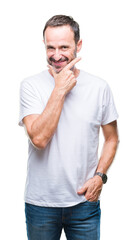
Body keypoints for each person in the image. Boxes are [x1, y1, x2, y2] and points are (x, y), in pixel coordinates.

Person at [19, 15, 119, 240]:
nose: (56, 55)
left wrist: (100, 176)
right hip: (40, 205)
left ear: (78, 45)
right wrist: (59, 89)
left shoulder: (99, 87)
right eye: (50, 47)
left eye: (64, 47)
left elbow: (112, 138)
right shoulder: (30, 86)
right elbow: (39, 139)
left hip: (84, 203)